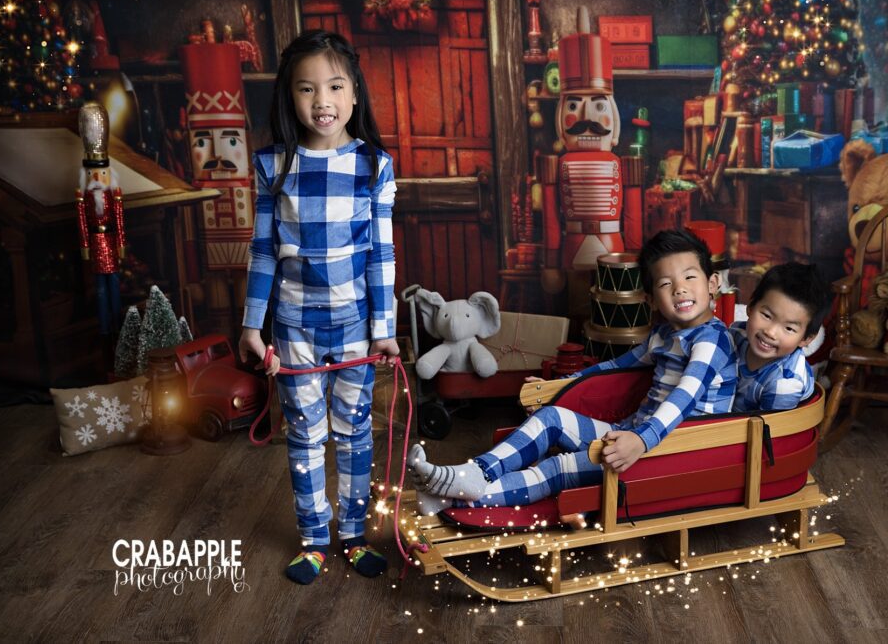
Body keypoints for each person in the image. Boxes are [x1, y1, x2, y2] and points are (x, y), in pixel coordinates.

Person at [409, 229, 737, 515]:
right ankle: (475, 473)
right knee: (550, 417)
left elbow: (684, 397)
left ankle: (454, 501)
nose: (680, 289)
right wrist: (558, 387)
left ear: (712, 285)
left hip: (676, 448)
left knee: (556, 469)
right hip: (634, 434)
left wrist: (640, 439)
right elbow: (613, 367)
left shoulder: (712, 340)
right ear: (651, 300)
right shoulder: (664, 335)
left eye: (690, 278)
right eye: (667, 283)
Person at [238, 30, 399, 585]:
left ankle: (353, 534)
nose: (322, 101)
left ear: (355, 94)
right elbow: (262, 251)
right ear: (290, 97)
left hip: (355, 327)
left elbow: (381, 254)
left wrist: (385, 329)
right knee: (305, 437)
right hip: (293, 330)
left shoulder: (374, 165)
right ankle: (313, 538)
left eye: (334, 86)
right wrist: (251, 326)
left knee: (355, 434)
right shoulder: (271, 165)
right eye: (307, 89)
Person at [730, 262, 831, 412]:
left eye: (789, 328)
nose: (771, 332)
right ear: (750, 308)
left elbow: (771, 431)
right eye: (766, 315)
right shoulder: (735, 334)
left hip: (767, 431)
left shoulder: (785, 383)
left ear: (806, 339)